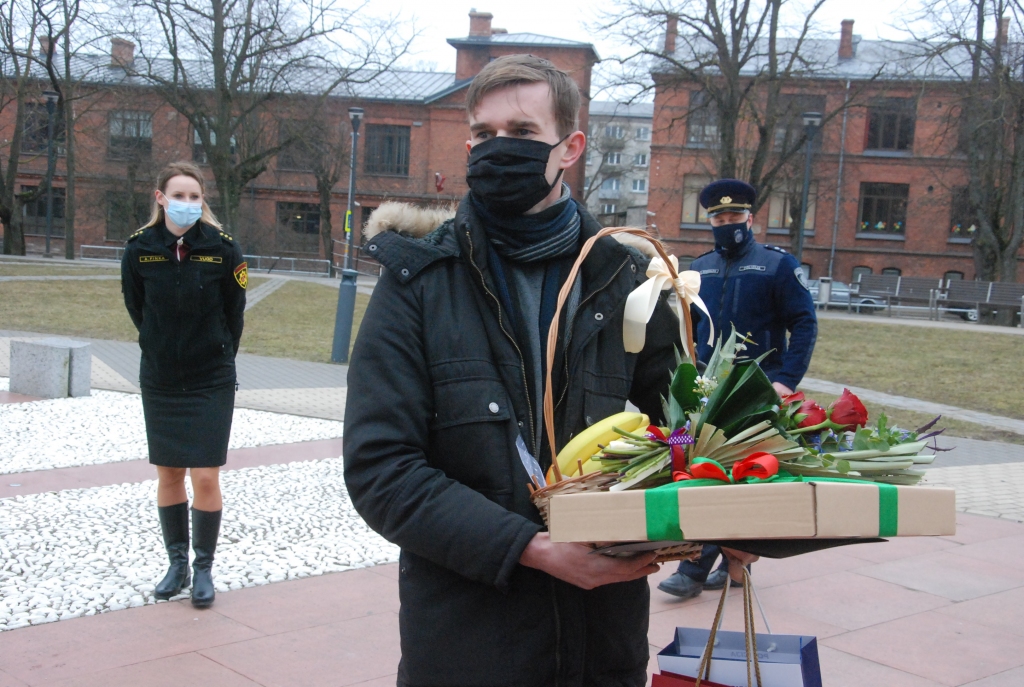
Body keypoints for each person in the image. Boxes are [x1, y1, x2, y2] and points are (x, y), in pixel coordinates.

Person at [343, 55, 756, 687]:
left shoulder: (633, 280)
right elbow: (380, 469)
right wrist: (531, 549)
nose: (496, 150)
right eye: (483, 134)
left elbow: (677, 433)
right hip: (467, 644)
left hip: (600, 642)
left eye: (521, 133)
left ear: (571, 147)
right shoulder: (418, 281)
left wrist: (724, 505)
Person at [658, 178, 817, 600]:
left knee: (739, 472)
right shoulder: (702, 266)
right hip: (708, 386)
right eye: (718, 217)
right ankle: (730, 563)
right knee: (699, 464)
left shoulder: (776, 265)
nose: (726, 223)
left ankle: (696, 567)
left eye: (734, 216)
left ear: (752, 218)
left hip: (757, 387)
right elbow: (690, 325)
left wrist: (786, 380)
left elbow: (804, 323)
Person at [121, 161, 247, 608]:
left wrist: (216, 353)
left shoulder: (223, 249)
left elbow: (235, 313)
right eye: (180, 195)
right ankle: (175, 564)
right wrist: (161, 347)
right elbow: (137, 309)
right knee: (170, 472)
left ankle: (202, 568)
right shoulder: (139, 249)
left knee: (206, 475)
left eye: (195, 197)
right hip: (160, 377)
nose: (189, 204)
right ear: (160, 197)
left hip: (209, 378)